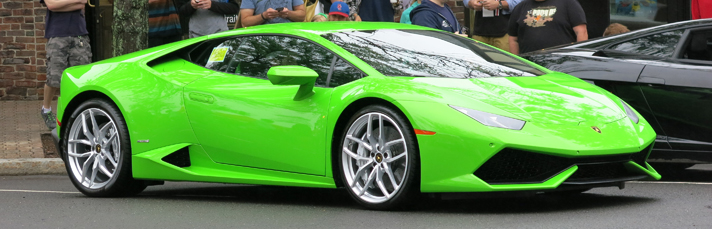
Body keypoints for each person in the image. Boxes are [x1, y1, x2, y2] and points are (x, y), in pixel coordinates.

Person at [39, 0, 92, 130]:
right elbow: (52, 5)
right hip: (57, 34)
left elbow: (82, 3)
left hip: (79, 34)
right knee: (54, 77)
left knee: (81, 78)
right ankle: (46, 110)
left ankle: (75, 112)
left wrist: (62, 4)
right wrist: (73, 3)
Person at [508, 0, 587, 55]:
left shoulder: (568, 3)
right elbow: (513, 39)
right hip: (530, 64)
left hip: (562, 62)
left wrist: (579, 58)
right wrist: (518, 62)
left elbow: (581, 32)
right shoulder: (520, 7)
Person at [240, 0, 306, 27]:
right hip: (262, 37)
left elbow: (302, 16)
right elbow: (245, 22)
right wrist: (263, 16)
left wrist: (288, 14)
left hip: (289, 35)